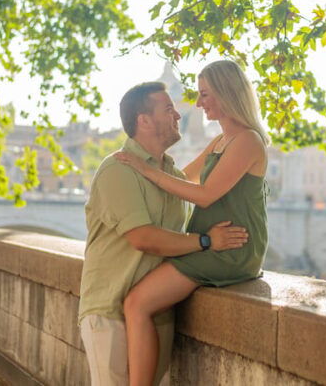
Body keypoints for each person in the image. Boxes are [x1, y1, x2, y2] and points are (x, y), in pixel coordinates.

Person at [77, 81, 250, 386]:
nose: (179, 115)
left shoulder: (169, 174)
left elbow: (204, 171)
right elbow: (143, 238)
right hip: (110, 312)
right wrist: (206, 241)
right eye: (168, 108)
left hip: (156, 315)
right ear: (143, 120)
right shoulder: (118, 169)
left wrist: (224, 129)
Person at [114, 60, 270, 386]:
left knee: (137, 303)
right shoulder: (221, 142)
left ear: (227, 94)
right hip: (212, 243)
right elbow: (183, 178)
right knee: (138, 301)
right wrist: (138, 177)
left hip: (231, 248)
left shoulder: (248, 141)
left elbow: (204, 195)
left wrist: (145, 171)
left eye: (204, 94)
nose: (198, 104)